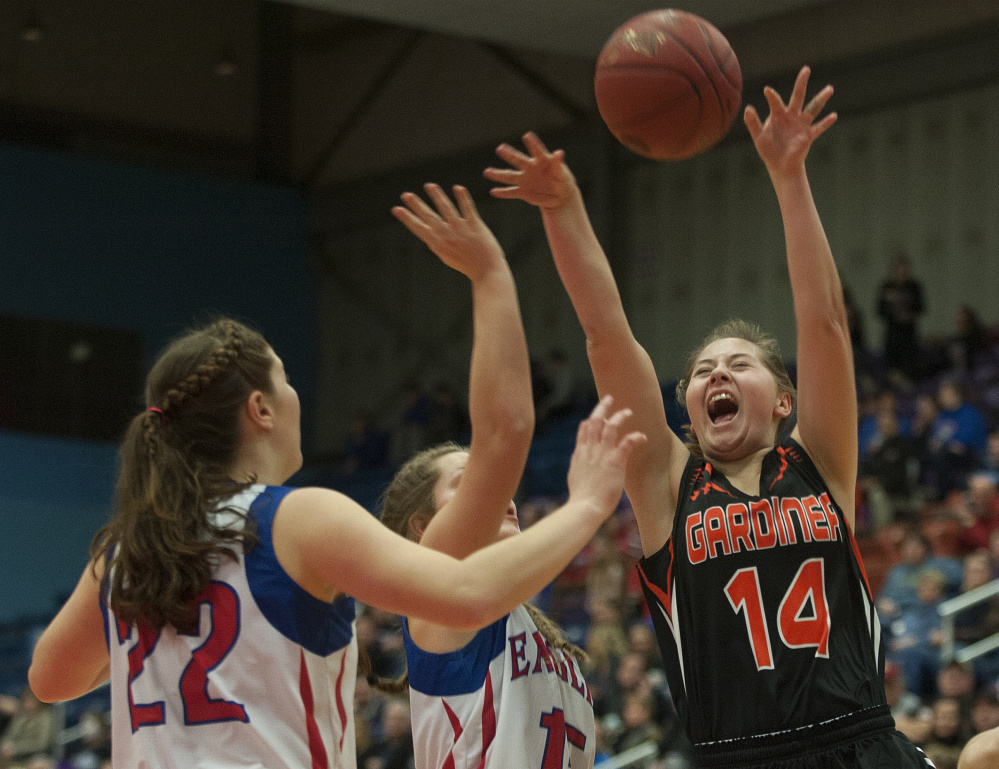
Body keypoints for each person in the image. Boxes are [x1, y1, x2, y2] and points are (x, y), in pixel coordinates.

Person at [484, 66, 932, 767]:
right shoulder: (667, 482)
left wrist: (789, 178)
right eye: (700, 371)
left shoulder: (820, 461)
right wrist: (563, 209)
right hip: (736, 756)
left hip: (861, 745)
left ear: (784, 400)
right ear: (687, 406)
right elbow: (606, 333)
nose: (716, 373)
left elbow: (823, 323)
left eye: (739, 364)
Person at [27, 311, 644, 769]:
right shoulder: (294, 518)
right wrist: (589, 502)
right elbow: (463, 592)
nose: (297, 396)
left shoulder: (125, 552)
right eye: (286, 381)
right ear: (260, 409)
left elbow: (50, 679)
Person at [379, 182, 633, 769]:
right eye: (467, 483)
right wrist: (490, 273)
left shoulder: (538, 633)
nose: (505, 496)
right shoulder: (435, 589)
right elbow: (506, 431)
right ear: (424, 528)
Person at [876, 250, 925, 388]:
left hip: (909, 334)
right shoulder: (886, 287)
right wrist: (890, 301)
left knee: (910, 367)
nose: (902, 271)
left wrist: (904, 301)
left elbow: (920, 308)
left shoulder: (914, 286)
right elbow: (879, 311)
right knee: (892, 370)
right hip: (892, 334)